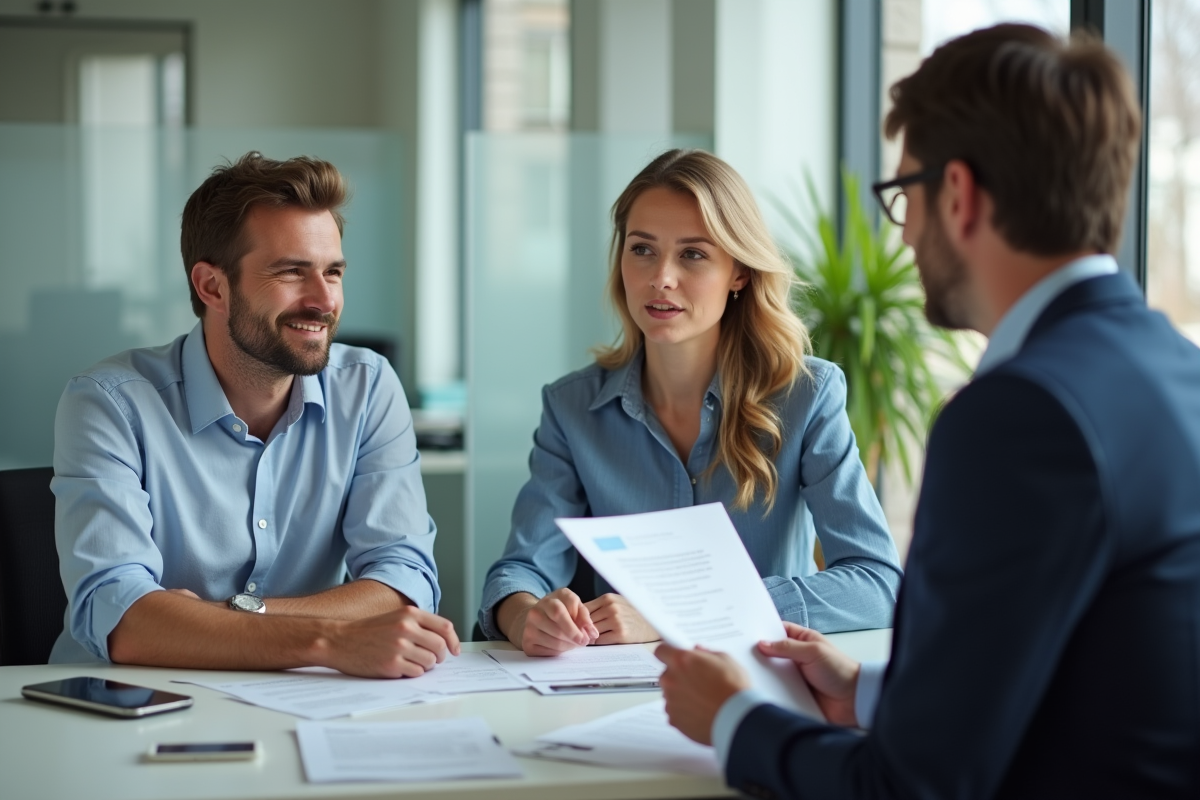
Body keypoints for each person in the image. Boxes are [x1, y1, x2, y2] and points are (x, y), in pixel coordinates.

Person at [655, 24, 1200, 799]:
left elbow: (913, 786)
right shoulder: (1177, 368)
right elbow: (1093, 674)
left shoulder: (1019, 416)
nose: (904, 231)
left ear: (958, 194)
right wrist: (869, 691)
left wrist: (735, 718)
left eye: (903, 195)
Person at [51, 152, 460, 677]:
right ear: (212, 287)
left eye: (332, 272)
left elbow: (404, 583)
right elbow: (122, 618)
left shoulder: (367, 385)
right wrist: (327, 637)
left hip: (304, 700)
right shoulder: (109, 403)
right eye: (292, 272)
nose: (323, 301)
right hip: (135, 701)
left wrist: (213, 620)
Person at [479, 149, 902, 656]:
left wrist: (678, 612)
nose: (661, 277)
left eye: (693, 254)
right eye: (642, 249)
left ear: (740, 273)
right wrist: (527, 614)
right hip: (605, 692)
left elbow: (877, 585)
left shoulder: (807, 397)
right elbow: (519, 570)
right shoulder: (573, 408)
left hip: (762, 687)